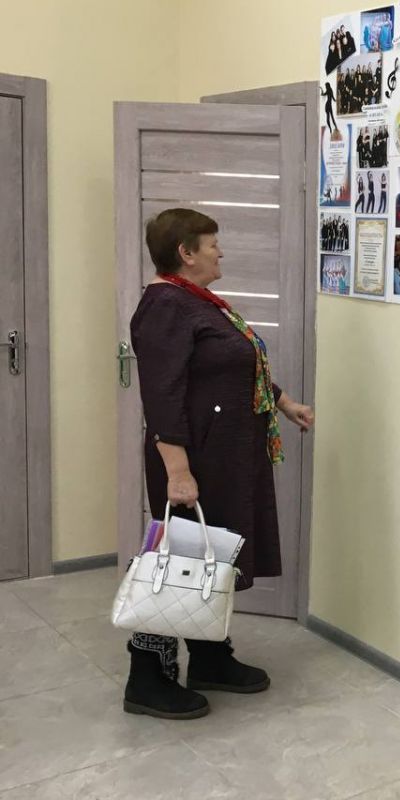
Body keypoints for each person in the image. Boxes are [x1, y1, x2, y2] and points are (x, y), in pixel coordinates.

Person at [127, 209, 314, 720]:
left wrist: (283, 402)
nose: (220, 252)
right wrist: (178, 471)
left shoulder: (198, 302)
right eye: (212, 244)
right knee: (178, 563)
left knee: (213, 562)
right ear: (186, 253)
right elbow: (162, 396)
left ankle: (209, 656)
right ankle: (147, 677)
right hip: (194, 462)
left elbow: (229, 369)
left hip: (225, 458)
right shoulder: (165, 306)